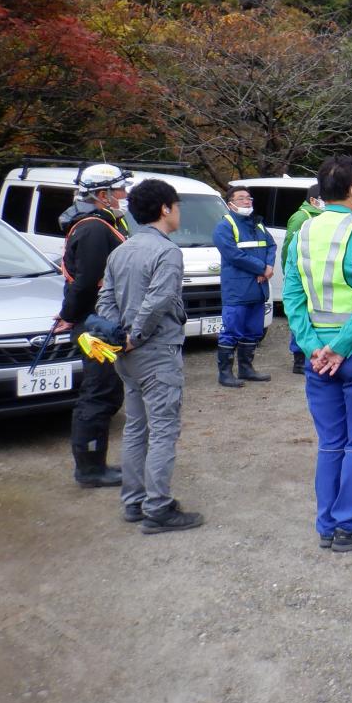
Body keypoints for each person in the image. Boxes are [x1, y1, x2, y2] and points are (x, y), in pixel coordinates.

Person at [283, 154, 352, 552]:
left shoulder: (300, 236)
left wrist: (315, 348)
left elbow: (293, 300)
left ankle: (328, 525)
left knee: (332, 441)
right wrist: (341, 348)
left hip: (318, 357)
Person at [97, 178, 203, 532]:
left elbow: (106, 300)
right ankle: (158, 508)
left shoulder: (120, 250)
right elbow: (158, 299)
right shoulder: (167, 251)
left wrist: (118, 335)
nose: (178, 212)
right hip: (155, 351)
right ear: (165, 209)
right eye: (177, 205)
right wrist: (134, 335)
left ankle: (133, 501)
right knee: (162, 430)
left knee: (136, 427)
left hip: (126, 354)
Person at [51, 163, 131, 488]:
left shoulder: (101, 223)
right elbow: (86, 283)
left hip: (97, 320)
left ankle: (93, 463)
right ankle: (90, 468)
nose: (125, 195)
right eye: (120, 190)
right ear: (102, 194)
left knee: (107, 391)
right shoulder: (94, 228)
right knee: (99, 393)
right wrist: (69, 315)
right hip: (93, 325)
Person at [214, 187, 276, 387]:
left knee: (253, 330)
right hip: (238, 290)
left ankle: (246, 369)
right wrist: (261, 268)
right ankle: (225, 374)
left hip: (258, 289)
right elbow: (233, 255)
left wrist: (268, 267)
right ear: (230, 203)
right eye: (241, 198)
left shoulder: (257, 224)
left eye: (248, 198)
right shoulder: (224, 226)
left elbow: (271, 246)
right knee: (231, 330)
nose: (247, 201)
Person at [283, 185, 324, 374]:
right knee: (300, 314)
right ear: (314, 200)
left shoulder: (319, 216)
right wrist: (290, 274)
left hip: (317, 276)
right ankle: (298, 358)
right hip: (302, 276)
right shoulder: (301, 217)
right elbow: (288, 250)